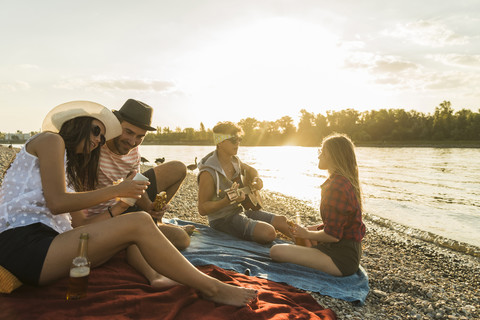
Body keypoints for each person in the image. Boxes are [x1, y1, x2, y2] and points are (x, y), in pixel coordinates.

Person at [0, 101, 257, 307]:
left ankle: (158, 275)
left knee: (140, 227)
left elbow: (82, 225)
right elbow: (57, 203)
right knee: (140, 223)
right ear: (77, 123)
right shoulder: (50, 140)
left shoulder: (70, 172)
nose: (98, 141)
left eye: (102, 138)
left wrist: (119, 208)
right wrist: (118, 190)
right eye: (96, 131)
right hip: (23, 244)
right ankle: (211, 288)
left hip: (47, 246)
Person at [82, 99, 192, 251]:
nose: (133, 141)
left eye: (140, 136)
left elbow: (136, 183)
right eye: (128, 132)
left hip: (124, 205)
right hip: (104, 217)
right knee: (182, 239)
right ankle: (146, 230)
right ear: (115, 124)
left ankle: (155, 222)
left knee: (178, 168)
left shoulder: (133, 151)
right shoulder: (95, 145)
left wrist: (150, 207)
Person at [270, 133, 366, 277]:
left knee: (276, 251)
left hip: (341, 259)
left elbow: (333, 236)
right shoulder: (342, 181)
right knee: (301, 238)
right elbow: (339, 225)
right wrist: (310, 230)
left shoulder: (336, 186)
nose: (319, 156)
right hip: (346, 251)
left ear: (332, 156)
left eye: (322, 152)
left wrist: (307, 233)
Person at [197, 121, 291, 244]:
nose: (238, 143)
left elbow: (252, 171)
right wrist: (226, 201)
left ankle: (305, 246)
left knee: (282, 221)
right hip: (223, 220)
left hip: (240, 211)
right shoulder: (208, 172)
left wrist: (256, 179)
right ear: (220, 142)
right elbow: (202, 209)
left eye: (239, 139)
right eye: (233, 140)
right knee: (268, 232)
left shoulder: (235, 162)